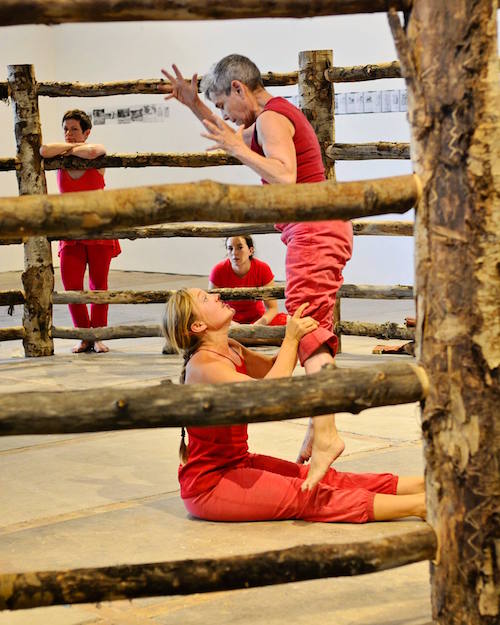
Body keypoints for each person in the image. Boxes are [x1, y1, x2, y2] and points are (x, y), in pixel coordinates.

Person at [160, 56, 353, 489]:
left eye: (223, 103)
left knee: (306, 328)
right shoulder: (271, 117)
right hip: (316, 230)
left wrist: (240, 150)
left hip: (313, 229)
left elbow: (285, 178)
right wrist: (195, 105)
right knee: (314, 326)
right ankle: (318, 421)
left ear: (238, 88)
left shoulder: (270, 120)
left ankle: (327, 434)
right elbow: (230, 134)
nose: (226, 114)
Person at [161, 288, 426, 523]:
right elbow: (271, 392)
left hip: (238, 462)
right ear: (196, 326)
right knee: (308, 495)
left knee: (321, 477)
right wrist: (291, 339)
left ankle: (425, 485)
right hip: (211, 484)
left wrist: (306, 340)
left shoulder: (231, 347)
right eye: (206, 298)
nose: (217, 296)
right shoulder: (204, 366)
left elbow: (270, 368)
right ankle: (420, 506)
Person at [40, 109, 121, 354]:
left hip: (97, 227)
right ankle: (83, 334)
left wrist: (69, 148)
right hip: (70, 230)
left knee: (99, 285)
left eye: (74, 129)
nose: (69, 134)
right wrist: (69, 148)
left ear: (86, 132)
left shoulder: (95, 153)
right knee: (72, 284)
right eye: (65, 129)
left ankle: (98, 335)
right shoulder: (61, 157)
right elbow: (43, 150)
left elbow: (93, 151)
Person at [208, 235, 286, 325]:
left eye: (240, 247)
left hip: (257, 318)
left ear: (250, 250)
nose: (234, 253)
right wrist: (232, 324)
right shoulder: (218, 270)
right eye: (230, 248)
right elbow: (212, 308)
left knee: (286, 322)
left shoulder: (263, 268)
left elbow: (272, 308)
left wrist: (258, 325)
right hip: (228, 320)